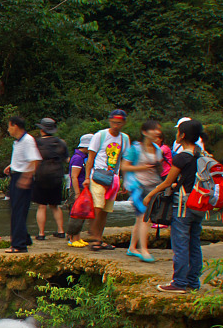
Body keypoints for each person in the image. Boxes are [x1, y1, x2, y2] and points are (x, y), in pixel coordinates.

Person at [146, 119, 206, 292]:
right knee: (194, 244)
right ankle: (193, 282)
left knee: (180, 246)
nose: (176, 134)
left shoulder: (181, 157)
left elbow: (167, 182)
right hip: (198, 205)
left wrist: (150, 195)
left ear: (183, 135)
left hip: (182, 207)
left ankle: (179, 283)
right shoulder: (201, 155)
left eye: (178, 132)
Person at [85, 109, 130, 250]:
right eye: (114, 122)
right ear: (110, 121)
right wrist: (87, 178)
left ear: (124, 123)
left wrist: (125, 180)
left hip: (113, 178)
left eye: (119, 123)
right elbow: (90, 158)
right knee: (97, 207)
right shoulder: (100, 135)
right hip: (97, 176)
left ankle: (98, 238)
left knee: (105, 210)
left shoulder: (124, 139)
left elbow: (124, 161)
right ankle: (94, 238)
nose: (116, 125)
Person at [122, 120, 163, 263]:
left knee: (140, 218)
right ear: (145, 132)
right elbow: (124, 167)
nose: (157, 132)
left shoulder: (157, 149)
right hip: (137, 187)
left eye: (158, 129)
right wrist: (143, 168)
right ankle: (144, 250)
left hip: (153, 186)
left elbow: (159, 169)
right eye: (154, 129)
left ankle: (132, 248)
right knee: (145, 217)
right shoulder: (135, 149)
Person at [3, 116, 40, 253]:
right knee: (14, 208)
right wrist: (12, 166)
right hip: (16, 175)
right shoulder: (19, 141)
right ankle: (24, 238)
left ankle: (19, 245)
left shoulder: (28, 140)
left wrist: (27, 177)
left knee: (18, 210)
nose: (8, 130)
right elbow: (24, 158)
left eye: (9, 126)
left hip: (23, 177)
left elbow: (35, 160)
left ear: (15, 126)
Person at [32, 118, 67, 240]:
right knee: (55, 206)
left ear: (42, 130)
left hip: (41, 175)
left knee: (41, 206)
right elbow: (66, 159)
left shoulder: (37, 143)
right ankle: (61, 231)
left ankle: (41, 233)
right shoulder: (61, 143)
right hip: (56, 176)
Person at [64, 134, 93, 247]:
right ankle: (72, 239)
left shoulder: (83, 157)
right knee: (76, 214)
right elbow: (74, 176)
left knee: (81, 214)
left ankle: (77, 237)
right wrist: (77, 193)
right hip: (77, 189)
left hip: (82, 189)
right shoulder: (78, 158)